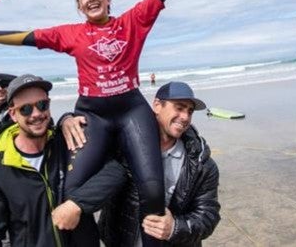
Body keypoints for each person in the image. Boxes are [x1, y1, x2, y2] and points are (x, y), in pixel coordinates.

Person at [0, 0, 211, 246]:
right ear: (80, 8)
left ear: (108, 0)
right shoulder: (70, 34)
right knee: (72, 191)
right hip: (93, 114)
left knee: (152, 189)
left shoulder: (132, 22)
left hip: (130, 110)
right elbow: (28, 37)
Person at [0, 74, 128, 247]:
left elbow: (116, 171)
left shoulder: (69, 145)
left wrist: (78, 203)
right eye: (26, 109)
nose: (37, 114)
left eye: (42, 105)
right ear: (13, 114)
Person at [88, 81, 221, 246]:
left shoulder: (203, 165)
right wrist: (67, 119)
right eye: (179, 108)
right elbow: (91, 131)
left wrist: (175, 228)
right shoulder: (122, 145)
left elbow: (208, 215)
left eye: (190, 111)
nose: (185, 117)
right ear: (157, 105)